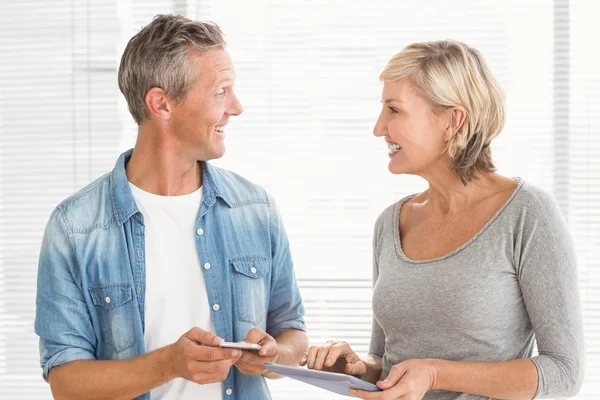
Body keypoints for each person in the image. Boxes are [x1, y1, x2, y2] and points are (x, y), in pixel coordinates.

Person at [34, 14, 307, 400]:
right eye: (221, 91)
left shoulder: (254, 210)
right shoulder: (75, 227)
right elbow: (66, 382)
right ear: (161, 104)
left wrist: (275, 355)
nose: (236, 107)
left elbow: (292, 331)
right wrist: (168, 365)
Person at [302, 40, 584, 400]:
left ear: (453, 120)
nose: (378, 128)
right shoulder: (390, 223)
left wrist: (435, 373)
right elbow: (388, 360)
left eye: (394, 110)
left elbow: (564, 372)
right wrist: (359, 368)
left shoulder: (527, 214)